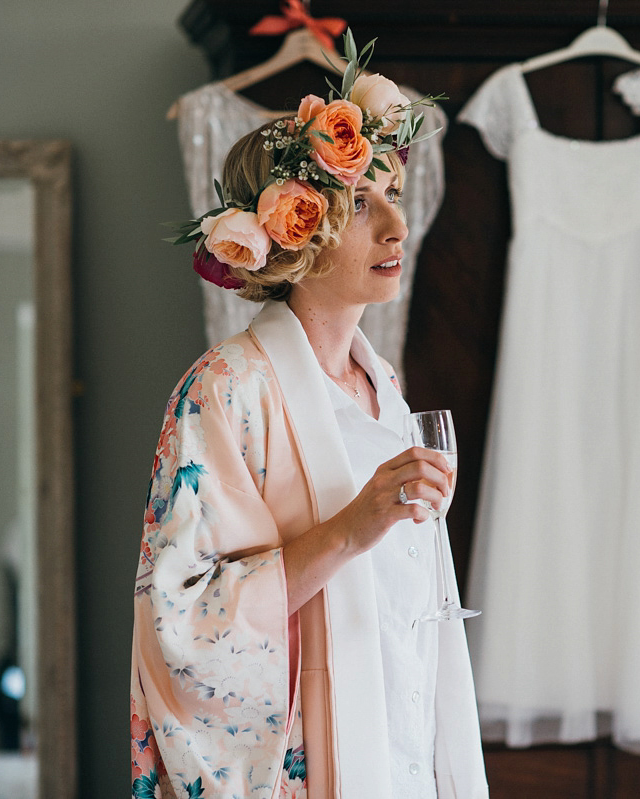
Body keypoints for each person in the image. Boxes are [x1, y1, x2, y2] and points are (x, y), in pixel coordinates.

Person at [129, 40, 487, 799]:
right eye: (362, 202)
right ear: (297, 228)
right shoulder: (223, 390)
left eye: (393, 193)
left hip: (405, 749)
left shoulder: (382, 384)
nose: (398, 225)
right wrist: (351, 529)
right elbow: (181, 621)